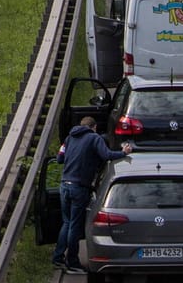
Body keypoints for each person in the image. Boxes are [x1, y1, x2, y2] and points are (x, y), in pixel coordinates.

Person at [52, 115, 134, 271]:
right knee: (75, 226)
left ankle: (58, 257)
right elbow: (107, 155)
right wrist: (124, 152)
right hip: (79, 187)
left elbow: (59, 158)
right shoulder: (94, 138)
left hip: (64, 185)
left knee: (67, 223)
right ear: (93, 127)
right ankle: (72, 262)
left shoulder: (69, 138)